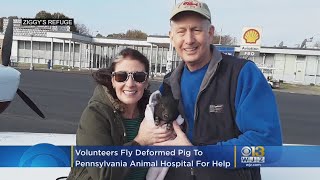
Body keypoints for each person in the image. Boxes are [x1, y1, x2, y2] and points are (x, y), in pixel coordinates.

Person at [155, 0, 283, 179]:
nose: (189, 39)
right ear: (171, 36)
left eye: (196, 30)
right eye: (181, 31)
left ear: (210, 33)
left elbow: (269, 148)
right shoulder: (169, 82)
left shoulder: (242, 74)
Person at [67, 48, 173, 180]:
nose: (130, 84)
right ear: (112, 80)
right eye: (121, 76)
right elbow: (103, 174)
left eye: (138, 77)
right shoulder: (95, 115)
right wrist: (140, 142)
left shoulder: (153, 113)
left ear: (146, 82)